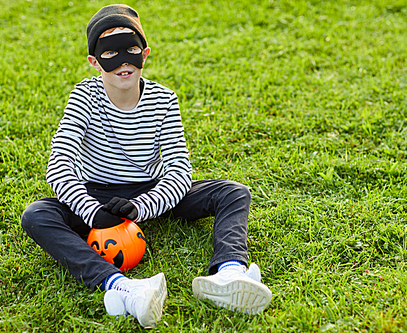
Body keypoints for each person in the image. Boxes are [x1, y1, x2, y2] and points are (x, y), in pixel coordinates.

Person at [20, 4, 272, 328]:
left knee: (232, 193)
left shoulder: (164, 99)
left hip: (149, 193)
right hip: (97, 197)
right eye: (110, 52)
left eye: (131, 49)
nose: (123, 61)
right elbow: (59, 162)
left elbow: (180, 171)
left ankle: (229, 272)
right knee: (36, 215)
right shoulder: (83, 97)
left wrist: (141, 208)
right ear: (94, 61)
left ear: (146, 53)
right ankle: (122, 288)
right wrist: (91, 212)